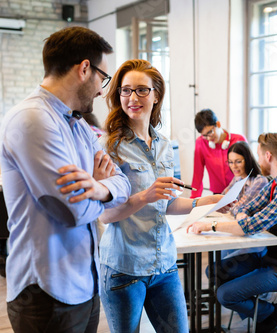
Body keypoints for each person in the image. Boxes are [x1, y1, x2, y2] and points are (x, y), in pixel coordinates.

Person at [58, 59, 223, 333]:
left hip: (165, 265)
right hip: (125, 268)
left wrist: (206, 201)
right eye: (125, 90)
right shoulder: (108, 146)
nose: (132, 98)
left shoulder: (165, 145)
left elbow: (167, 203)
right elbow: (106, 215)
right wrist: (144, 196)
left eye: (142, 90)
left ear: (156, 95)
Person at [0, 26, 131, 333]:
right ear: (85, 68)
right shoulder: (32, 120)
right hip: (46, 291)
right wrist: (104, 194)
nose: (102, 90)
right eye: (103, 78)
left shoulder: (77, 123)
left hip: (85, 281)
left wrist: (98, 188)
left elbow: (122, 182)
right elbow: (72, 212)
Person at [187, 132, 277, 333]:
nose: (257, 161)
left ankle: (269, 313)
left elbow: (250, 225)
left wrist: (210, 227)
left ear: (268, 156)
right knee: (214, 271)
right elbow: (245, 208)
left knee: (224, 295)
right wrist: (243, 217)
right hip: (270, 257)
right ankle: (267, 314)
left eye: (258, 155)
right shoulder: (275, 182)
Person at [220, 141, 269, 259]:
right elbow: (222, 201)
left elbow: (240, 207)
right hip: (238, 232)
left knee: (221, 264)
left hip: (255, 238)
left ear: (247, 159)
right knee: (221, 258)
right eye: (230, 162)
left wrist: (232, 208)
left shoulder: (259, 181)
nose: (234, 166)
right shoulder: (237, 179)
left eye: (238, 162)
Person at [191, 109, 247, 198]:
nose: (208, 138)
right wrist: (193, 202)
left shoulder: (238, 140)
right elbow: (197, 175)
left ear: (218, 124)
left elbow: (249, 168)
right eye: (204, 135)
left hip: (240, 191)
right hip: (218, 194)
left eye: (209, 132)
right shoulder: (200, 143)